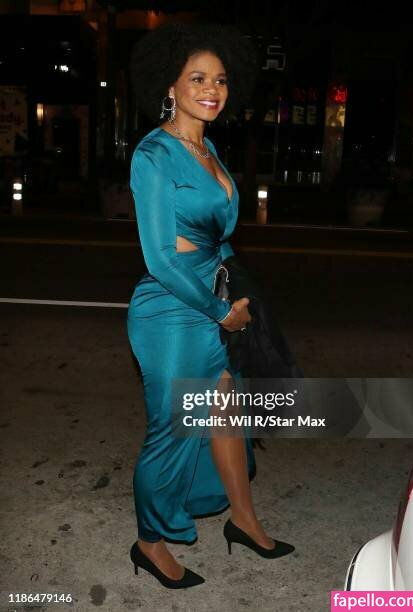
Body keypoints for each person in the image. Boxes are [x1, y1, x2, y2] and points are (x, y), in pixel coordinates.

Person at [127, 22, 294, 589]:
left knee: (227, 416)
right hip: (173, 312)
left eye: (220, 80)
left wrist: (236, 293)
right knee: (173, 433)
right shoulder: (154, 155)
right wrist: (222, 312)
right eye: (197, 78)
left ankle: (243, 520)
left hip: (215, 299)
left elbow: (215, 237)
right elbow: (160, 258)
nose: (212, 89)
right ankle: (150, 543)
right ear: (169, 85)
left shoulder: (209, 148)